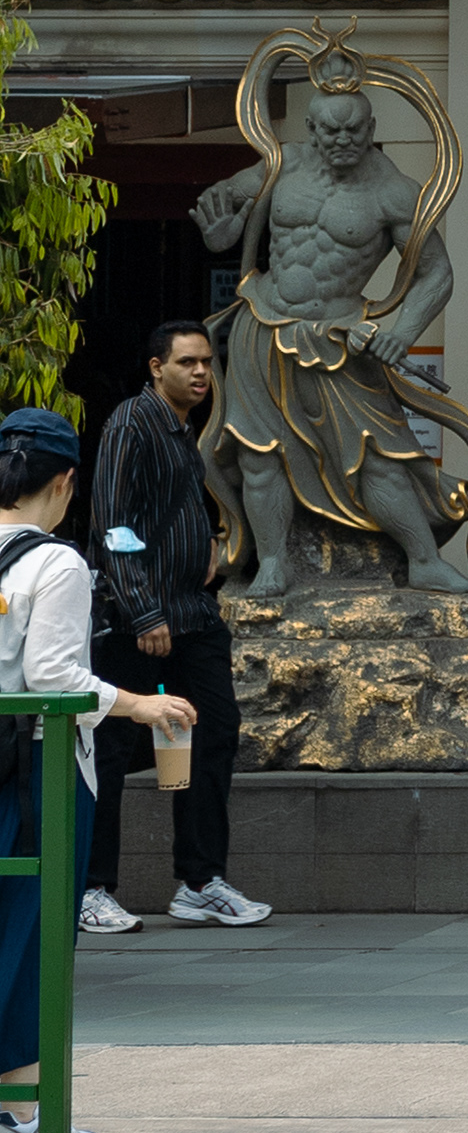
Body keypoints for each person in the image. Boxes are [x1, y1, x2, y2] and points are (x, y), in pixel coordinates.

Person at [0, 402, 191, 1133]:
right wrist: (139, 704)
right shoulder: (57, 563)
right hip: (34, 775)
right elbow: (53, 675)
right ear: (68, 482)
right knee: (32, 935)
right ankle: (21, 1114)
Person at [86, 315, 266, 933]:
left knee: (214, 732)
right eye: (187, 362)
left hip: (193, 613)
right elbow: (113, 523)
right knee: (109, 749)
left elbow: (165, 513)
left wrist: (209, 537)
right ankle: (91, 888)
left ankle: (200, 881)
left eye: (206, 364)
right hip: (142, 618)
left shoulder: (182, 430)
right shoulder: (131, 424)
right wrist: (143, 608)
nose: (199, 373)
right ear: (156, 368)